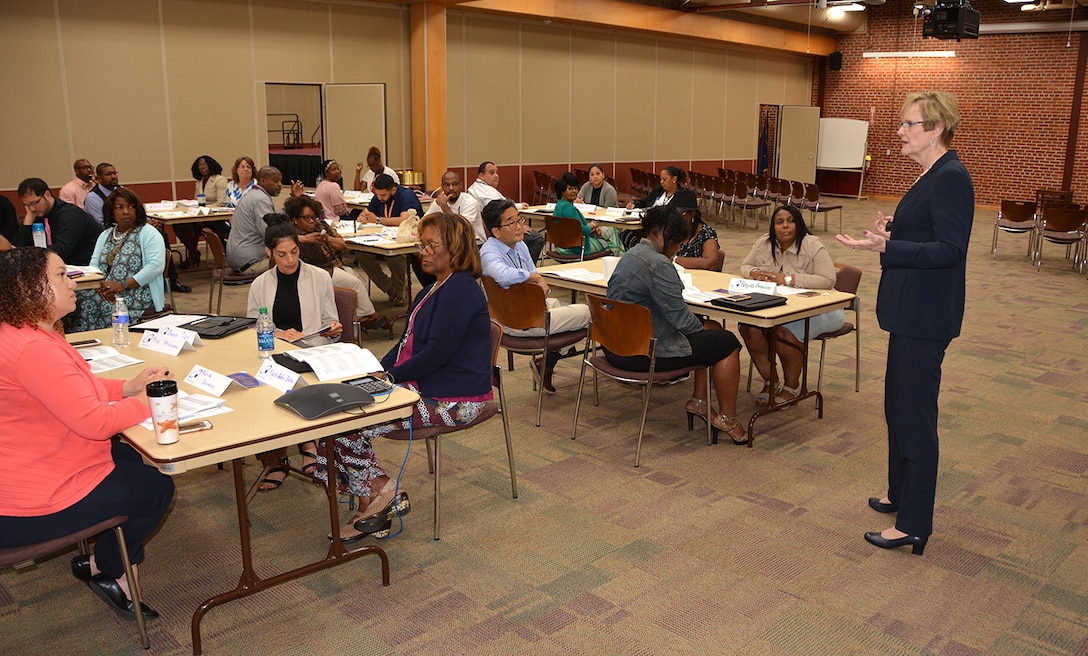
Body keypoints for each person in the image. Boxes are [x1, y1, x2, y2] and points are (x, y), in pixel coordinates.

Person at [0, 247, 175, 620]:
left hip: (26, 469)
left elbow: (73, 387)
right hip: (27, 504)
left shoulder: (24, 331)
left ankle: (106, 558)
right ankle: (107, 566)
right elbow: (94, 423)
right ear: (26, 288)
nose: (72, 282)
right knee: (157, 488)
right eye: (61, 275)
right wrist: (150, 400)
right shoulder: (34, 347)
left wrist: (127, 388)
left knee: (128, 457)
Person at [836, 91, 974, 556]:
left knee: (915, 417)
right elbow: (930, 230)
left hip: (925, 317)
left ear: (934, 129)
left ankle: (915, 522)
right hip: (909, 312)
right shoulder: (932, 174)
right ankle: (900, 493)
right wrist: (897, 229)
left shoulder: (951, 177)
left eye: (908, 124)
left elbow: (952, 250)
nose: (900, 131)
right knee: (898, 407)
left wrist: (887, 248)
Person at [313, 212, 490, 540]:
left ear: (455, 248)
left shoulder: (461, 290)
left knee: (348, 422)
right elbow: (406, 342)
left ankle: (379, 495)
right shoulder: (432, 289)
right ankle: (376, 501)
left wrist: (389, 378)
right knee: (339, 412)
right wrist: (378, 370)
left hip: (454, 398)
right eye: (421, 244)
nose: (422, 251)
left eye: (431, 245)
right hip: (424, 385)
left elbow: (436, 354)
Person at [606, 205, 748, 444]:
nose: (677, 250)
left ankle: (699, 402)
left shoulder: (630, 255)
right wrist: (700, 327)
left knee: (712, 328)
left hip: (616, 346)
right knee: (727, 342)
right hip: (643, 354)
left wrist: (704, 328)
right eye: (678, 243)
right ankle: (728, 418)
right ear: (667, 233)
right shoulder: (659, 264)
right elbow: (681, 319)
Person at [246, 215, 344, 491]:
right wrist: (278, 334)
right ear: (269, 253)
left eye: (294, 252)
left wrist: (333, 328)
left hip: (312, 352)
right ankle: (277, 459)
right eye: (281, 254)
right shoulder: (260, 284)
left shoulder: (319, 277)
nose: (289, 259)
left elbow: (331, 323)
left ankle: (308, 442)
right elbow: (252, 326)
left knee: (296, 386)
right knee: (258, 392)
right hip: (273, 353)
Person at [481, 198, 589, 394]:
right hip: (514, 321)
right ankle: (547, 363)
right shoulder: (488, 252)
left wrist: (536, 282)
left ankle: (545, 362)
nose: (519, 226)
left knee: (561, 306)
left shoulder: (519, 244)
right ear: (495, 231)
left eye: (519, 220)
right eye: (511, 223)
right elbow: (503, 275)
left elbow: (536, 282)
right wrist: (534, 278)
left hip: (529, 308)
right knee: (589, 313)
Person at [739, 204, 842, 405]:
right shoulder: (764, 243)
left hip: (824, 308)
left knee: (783, 332)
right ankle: (771, 380)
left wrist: (787, 279)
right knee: (749, 327)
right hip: (782, 307)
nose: (785, 226)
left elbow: (828, 280)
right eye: (779, 222)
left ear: (798, 224)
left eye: (790, 221)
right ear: (773, 227)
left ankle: (791, 386)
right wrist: (754, 273)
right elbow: (745, 266)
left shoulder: (812, 244)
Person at [284, 195, 391, 331]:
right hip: (317, 271)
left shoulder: (321, 226)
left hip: (335, 266)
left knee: (360, 281)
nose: (311, 221)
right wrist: (305, 239)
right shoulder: (290, 233)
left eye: (313, 217)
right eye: (306, 218)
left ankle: (355, 319)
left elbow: (342, 245)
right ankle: (370, 317)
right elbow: (279, 239)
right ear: (295, 220)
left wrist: (327, 239)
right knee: (354, 283)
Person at [68, 189, 167, 332]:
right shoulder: (105, 235)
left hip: (138, 294)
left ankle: (96, 339)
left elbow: (155, 266)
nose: (126, 212)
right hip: (106, 291)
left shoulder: (148, 232)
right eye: (119, 208)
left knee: (87, 304)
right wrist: (101, 286)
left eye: (131, 207)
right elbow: (94, 265)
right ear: (111, 211)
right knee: (75, 300)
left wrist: (122, 285)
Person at [355, 173, 423, 306]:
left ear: (393, 189)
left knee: (394, 256)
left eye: (383, 195)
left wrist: (379, 220)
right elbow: (365, 213)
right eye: (377, 195)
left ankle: (400, 292)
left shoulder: (406, 196)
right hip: (384, 238)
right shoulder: (379, 197)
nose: (380, 198)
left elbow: (405, 219)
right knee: (361, 254)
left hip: (408, 239)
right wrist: (362, 217)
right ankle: (389, 288)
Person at [226, 165, 303, 273]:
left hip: (239, 258)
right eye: (275, 181)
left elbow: (276, 220)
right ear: (262, 180)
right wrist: (302, 238)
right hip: (250, 261)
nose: (280, 185)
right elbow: (271, 233)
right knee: (298, 259)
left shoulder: (255, 194)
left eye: (280, 181)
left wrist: (293, 199)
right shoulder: (260, 199)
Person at [467, 161, 545, 263]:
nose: (496, 176)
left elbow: (502, 204)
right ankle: (523, 265)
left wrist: (520, 205)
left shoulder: (475, 188)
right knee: (537, 238)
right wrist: (519, 226)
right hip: (500, 230)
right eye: (491, 173)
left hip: (494, 229)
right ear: (481, 175)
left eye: (496, 172)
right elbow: (501, 210)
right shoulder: (485, 190)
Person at [13, 177, 102, 266]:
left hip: (85, 267)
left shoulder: (70, 215)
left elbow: (60, 251)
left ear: (47, 195)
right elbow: (20, 249)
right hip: (61, 267)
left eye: (34, 203)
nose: (31, 208)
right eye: (26, 205)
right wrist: (28, 222)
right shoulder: (37, 214)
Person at [175, 155, 229, 269]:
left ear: (210, 165)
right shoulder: (200, 181)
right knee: (179, 225)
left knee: (192, 227)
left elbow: (222, 203)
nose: (202, 167)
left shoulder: (220, 180)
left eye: (204, 165)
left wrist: (204, 209)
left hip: (215, 217)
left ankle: (193, 256)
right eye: (199, 165)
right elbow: (196, 200)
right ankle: (193, 252)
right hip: (200, 215)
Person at [553, 172, 623, 257]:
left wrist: (592, 228)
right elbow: (582, 230)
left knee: (611, 231)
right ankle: (620, 259)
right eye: (569, 189)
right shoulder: (568, 208)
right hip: (577, 247)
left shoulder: (559, 205)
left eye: (575, 188)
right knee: (611, 242)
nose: (573, 191)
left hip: (563, 244)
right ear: (561, 191)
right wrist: (592, 226)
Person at [424, 170, 483, 244]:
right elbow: (425, 221)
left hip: (473, 245)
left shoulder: (470, 202)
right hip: (451, 244)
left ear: (460, 185)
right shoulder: (438, 202)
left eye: (455, 184)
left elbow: (461, 229)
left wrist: (444, 207)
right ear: (442, 187)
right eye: (447, 185)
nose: (451, 188)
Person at [626, 166, 697, 210]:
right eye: (661, 179)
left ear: (674, 179)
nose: (661, 182)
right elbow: (645, 202)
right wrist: (634, 204)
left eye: (664, 179)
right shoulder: (659, 189)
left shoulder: (682, 196)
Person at [673, 206, 721, 271]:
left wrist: (673, 260)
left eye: (681, 214)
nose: (675, 218)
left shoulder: (706, 233)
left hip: (701, 278)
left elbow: (710, 264)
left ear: (693, 213)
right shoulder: (671, 231)